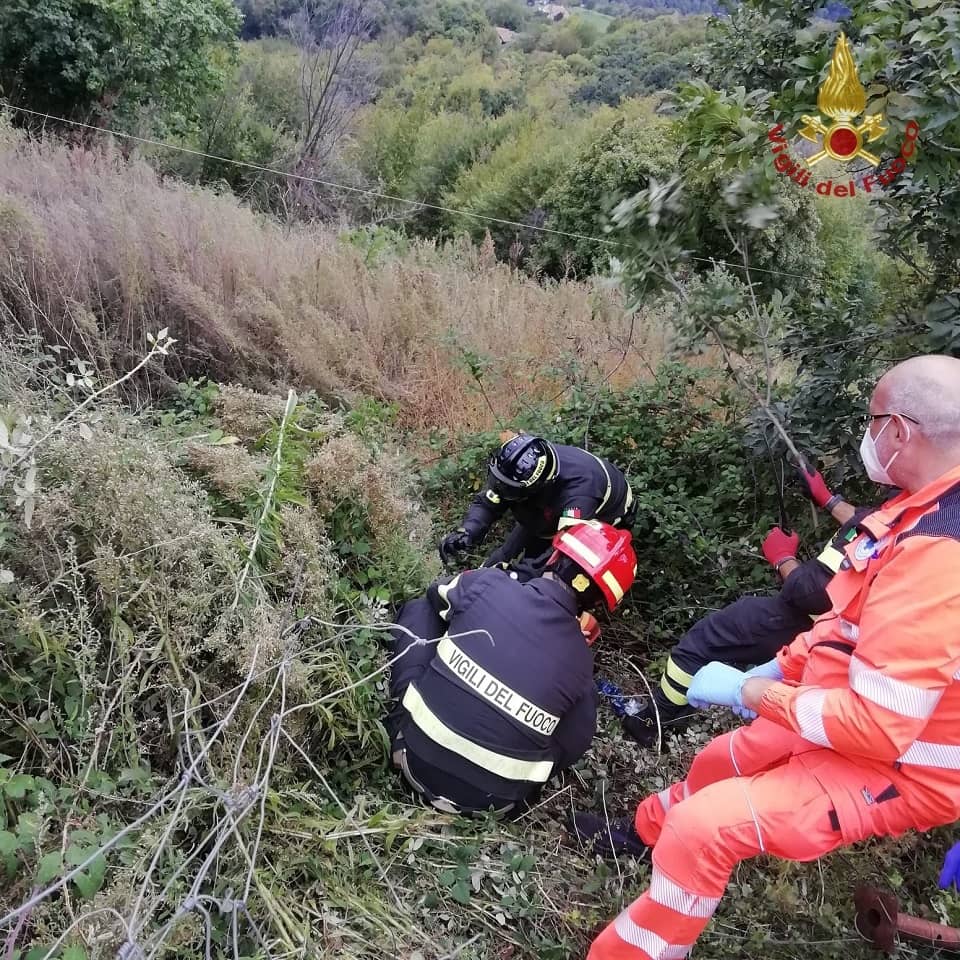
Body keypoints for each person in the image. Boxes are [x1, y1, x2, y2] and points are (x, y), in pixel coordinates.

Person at [572, 355, 960, 960]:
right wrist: (783, 667)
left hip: (897, 766)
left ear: (902, 432)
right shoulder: (918, 509)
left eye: (873, 421)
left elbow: (878, 727)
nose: (868, 434)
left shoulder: (941, 556)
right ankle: (640, 832)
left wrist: (753, 693)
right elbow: (844, 621)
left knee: (703, 830)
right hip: (837, 710)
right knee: (722, 756)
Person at [388, 520, 637, 815]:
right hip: (491, 804)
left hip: (412, 758)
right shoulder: (583, 663)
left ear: (554, 556)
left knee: (419, 610)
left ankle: (400, 722)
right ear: (599, 604)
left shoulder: (488, 585)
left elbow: (435, 594)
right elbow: (577, 741)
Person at [621, 466, 866, 748]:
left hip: (807, 622)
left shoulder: (909, 519)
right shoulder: (916, 512)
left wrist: (783, 559)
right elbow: (872, 523)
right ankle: (679, 718)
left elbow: (810, 593)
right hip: (820, 627)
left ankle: (654, 723)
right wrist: (828, 500)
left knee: (703, 642)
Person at [438, 434, 635, 576]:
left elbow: (564, 552)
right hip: (545, 505)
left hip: (605, 516)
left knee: (546, 576)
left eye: (509, 490)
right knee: (502, 556)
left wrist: (516, 575)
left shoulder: (579, 493)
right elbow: (489, 502)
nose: (502, 491)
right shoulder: (519, 469)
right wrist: (467, 531)